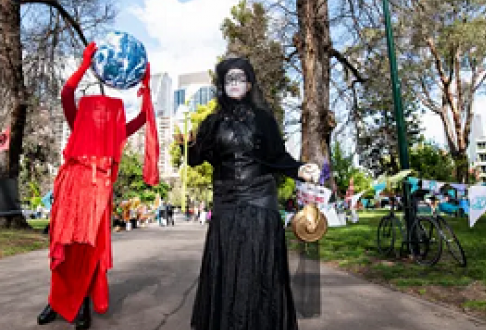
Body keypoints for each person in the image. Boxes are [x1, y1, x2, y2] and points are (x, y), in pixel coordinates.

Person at [175, 57, 320, 330]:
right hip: (226, 204)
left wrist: (301, 170)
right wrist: (190, 145)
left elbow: (278, 156)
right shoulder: (211, 123)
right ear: (222, 85)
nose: (234, 83)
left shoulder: (263, 119)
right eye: (229, 79)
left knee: (259, 269)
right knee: (228, 269)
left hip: (260, 200)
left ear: (249, 84)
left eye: (239, 78)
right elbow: (196, 159)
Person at [37, 42, 159, 330]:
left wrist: (146, 89)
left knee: (89, 250)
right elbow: (67, 93)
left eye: (107, 115)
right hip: (71, 186)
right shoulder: (76, 117)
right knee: (63, 247)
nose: (101, 118)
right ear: (87, 113)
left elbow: (143, 118)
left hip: (99, 190)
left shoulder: (117, 132)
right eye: (96, 113)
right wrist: (84, 64)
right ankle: (56, 302)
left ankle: (81, 304)